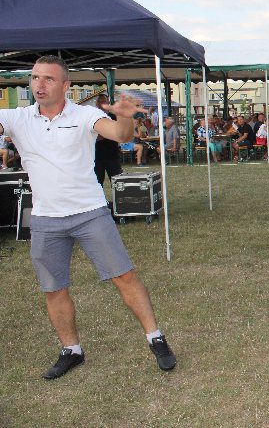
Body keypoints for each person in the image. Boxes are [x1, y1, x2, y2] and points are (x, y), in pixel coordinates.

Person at [0, 56, 176, 379]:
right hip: (45, 219)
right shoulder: (17, 117)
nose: (39, 84)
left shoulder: (85, 115)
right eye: (35, 78)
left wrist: (125, 117)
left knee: (124, 276)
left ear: (66, 85)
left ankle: (156, 338)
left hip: (89, 212)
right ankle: (72, 350)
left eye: (48, 79)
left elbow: (120, 135)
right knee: (53, 288)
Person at [93, 94, 123, 186]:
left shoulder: (114, 117)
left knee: (117, 183)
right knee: (97, 183)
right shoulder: (92, 117)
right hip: (96, 155)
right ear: (96, 104)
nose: (101, 104)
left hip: (112, 154)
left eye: (103, 101)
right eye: (99, 101)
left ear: (108, 103)